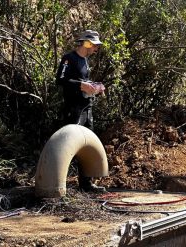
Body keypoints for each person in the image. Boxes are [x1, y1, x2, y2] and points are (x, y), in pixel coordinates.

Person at [55, 30, 106, 192]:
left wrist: (96, 86)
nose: (96, 48)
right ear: (87, 43)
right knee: (68, 145)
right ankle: (57, 183)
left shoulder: (85, 60)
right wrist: (80, 85)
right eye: (94, 45)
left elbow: (84, 81)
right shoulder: (69, 58)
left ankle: (86, 184)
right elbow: (60, 80)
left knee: (86, 144)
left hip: (87, 106)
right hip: (73, 107)